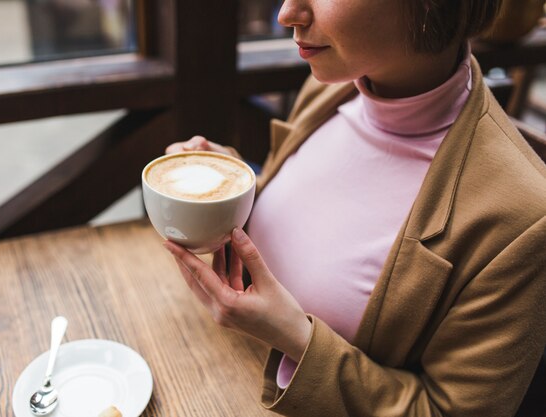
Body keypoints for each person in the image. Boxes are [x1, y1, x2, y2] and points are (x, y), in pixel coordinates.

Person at [162, 0, 546, 416]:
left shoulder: (525, 217)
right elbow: (319, 222)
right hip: (202, 366)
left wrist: (296, 337)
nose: (286, 13)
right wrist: (232, 184)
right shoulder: (332, 85)